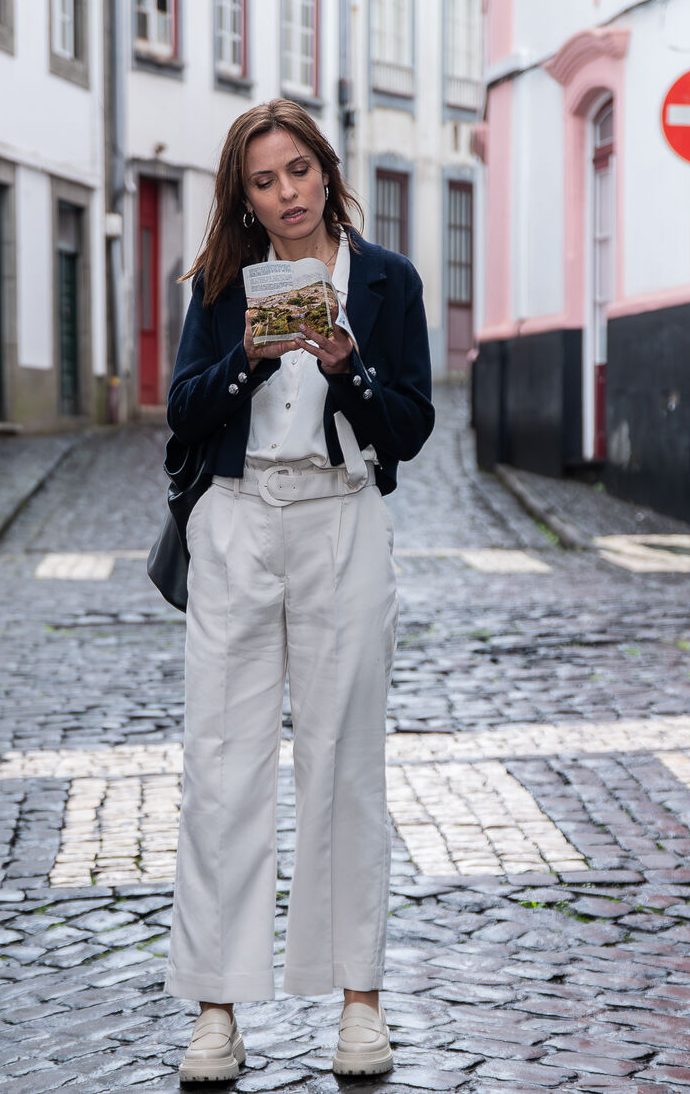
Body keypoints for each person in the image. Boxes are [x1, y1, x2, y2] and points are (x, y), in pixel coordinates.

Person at [164, 98, 434, 1083]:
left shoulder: (388, 281)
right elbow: (182, 410)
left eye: (297, 172)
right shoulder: (216, 283)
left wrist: (345, 365)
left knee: (343, 765)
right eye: (263, 181)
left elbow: (408, 425)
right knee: (223, 768)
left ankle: (357, 999)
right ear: (244, 194)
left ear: (327, 170)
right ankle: (215, 1009)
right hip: (236, 520)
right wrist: (246, 354)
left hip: (341, 519)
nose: (284, 195)